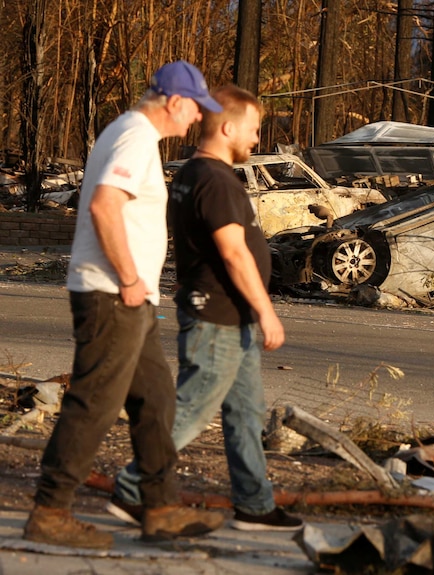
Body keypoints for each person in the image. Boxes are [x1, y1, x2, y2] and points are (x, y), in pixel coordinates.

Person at [23, 61, 227, 550]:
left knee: (155, 399)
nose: (197, 119)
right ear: (175, 101)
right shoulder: (135, 136)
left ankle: (160, 509)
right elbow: (103, 205)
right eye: (196, 108)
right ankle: (50, 511)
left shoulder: (133, 136)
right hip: (113, 294)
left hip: (129, 298)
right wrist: (132, 279)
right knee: (95, 401)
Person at [107, 84, 304, 532]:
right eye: (254, 130)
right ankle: (133, 488)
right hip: (219, 316)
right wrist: (267, 311)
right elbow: (232, 252)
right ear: (229, 127)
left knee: (246, 413)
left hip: (231, 317)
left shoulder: (196, 174)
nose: (257, 140)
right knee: (193, 409)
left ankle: (254, 505)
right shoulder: (214, 180)